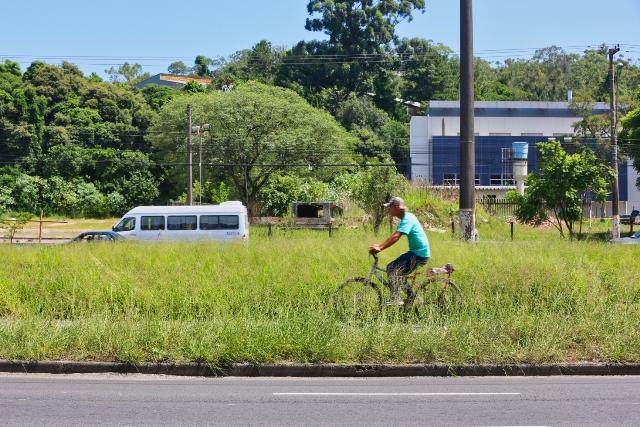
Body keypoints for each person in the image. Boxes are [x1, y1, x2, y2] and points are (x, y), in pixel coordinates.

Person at [369, 197, 430, 304]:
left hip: (419, 254)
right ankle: (411, 297)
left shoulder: (408, 219)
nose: (389, 210)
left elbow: (396, 236)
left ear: (397, 207)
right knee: (399, 275)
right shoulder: (407, 217)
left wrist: (380, 247)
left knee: (392, 268)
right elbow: (395, 235)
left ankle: (395, 298)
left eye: (390, 207)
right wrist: (380, 246)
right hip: (419, 252)